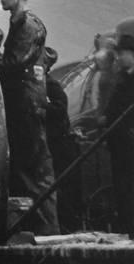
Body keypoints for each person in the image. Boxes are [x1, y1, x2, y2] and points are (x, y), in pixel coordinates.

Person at [0, 0, 59, 236]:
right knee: (24, 169)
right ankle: (34, 229)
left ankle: (47, 231)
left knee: (35, 169)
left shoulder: (28, 25)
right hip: (21, 104)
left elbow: (14, 63)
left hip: (28, 106)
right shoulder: (18, 22)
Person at [44, 46, 82, 232]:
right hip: (57, 142)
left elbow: (59, 110)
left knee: (62, 185)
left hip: (59, 144)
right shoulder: (47, 84)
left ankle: (67, 225)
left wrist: (41, 107)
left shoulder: (51, 85)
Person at [104, 19, 134, 237]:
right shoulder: (123, 78)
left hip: (129, 144)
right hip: (119, 145)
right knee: (122, 188)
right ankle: (127, 228)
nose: (119, 57)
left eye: (122, 53)